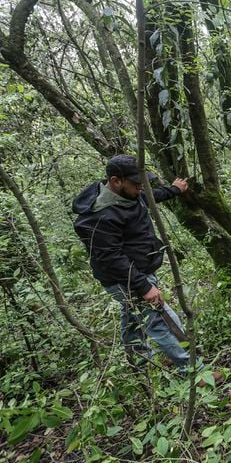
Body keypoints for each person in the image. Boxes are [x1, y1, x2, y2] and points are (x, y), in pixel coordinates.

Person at [72, 155, 202, 375]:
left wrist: (174, 190)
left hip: (138, 272)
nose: (141, 188)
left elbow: (149, 196)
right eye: (136, 183)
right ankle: (194, 373)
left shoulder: (130, 195)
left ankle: (141, 366)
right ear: (116, 181)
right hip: (126, 279)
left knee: (133, 322)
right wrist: (144, 286)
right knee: (164, 321)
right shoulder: (101, 216)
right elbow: (112, 259)